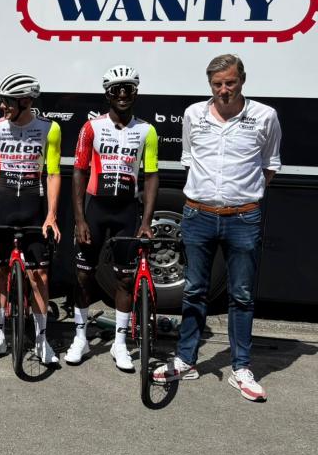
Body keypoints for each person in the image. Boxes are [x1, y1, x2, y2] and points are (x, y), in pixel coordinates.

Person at [153, 54, 281, 402]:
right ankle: (185, 360)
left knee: (241, 295)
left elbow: (269, 165)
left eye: (230, 82)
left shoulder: (265, 116)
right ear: (210, 85)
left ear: (242, 80)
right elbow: (189, 160)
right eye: (217, 84)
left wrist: (245, 196)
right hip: (198, 216)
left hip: (244, 218)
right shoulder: (193, 114)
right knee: (194, 290)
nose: (224, 90)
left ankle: (241, 369)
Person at [65, 66, 158, 371]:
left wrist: (146, 222)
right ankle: (80, 338)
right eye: (116, 89)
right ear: (107, 94)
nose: (122, 94)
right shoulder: (91, 127)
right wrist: (80, 219)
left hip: (126, 212)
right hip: (96, 210)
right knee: (83, 276)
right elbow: (79, 172)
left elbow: (151, 176)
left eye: (128, 88)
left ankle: (120, 343)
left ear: (135, 93)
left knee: (126, 279)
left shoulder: (147, 131)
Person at [0, 73, 61, 365]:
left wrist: (51, 215)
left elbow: (53, 173)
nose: (2, 106)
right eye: (1, 100)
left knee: (40, 276)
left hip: (33, 208)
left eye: (8, 101)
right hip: (2, 206)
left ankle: (41, 340)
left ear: (25, 101)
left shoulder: (49, 129)